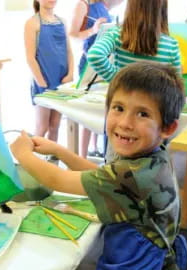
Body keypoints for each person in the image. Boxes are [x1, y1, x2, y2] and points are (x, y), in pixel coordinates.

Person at [10, 62, 187, 270]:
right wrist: (59, 151)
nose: (125, 122)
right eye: (119, 108)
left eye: (143, 113)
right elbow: (101, 177)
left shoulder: (136, 177)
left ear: (168, 128)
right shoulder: (151, 158)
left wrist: (21, 154)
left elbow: (56, 179)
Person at [69, 0, 123, 159]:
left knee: (100, 108)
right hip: (89, 63)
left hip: (105, 64)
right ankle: (82, 157)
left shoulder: (104, 5)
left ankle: (93, 148)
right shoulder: (82, 5)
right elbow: (73, 35)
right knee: (88, 111)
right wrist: (93, 30)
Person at [87, 0, 181, 84]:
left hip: (124, 98)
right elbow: (177, 84)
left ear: (130, 7)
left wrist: (117, 80)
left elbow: (94, 55)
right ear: (163, 10)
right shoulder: (171, 44)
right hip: (155, 101)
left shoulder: (116, 34)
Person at [24, 0, 74, 141]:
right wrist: (42, 83)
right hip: (43, 83)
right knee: (42, 128)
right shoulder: (32, 23)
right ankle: (32, 161)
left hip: (61, 82)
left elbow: (69, 52)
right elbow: (30, 57)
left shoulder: (62, 22)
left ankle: (52, 161)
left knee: (55, 126)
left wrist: (70, 74)